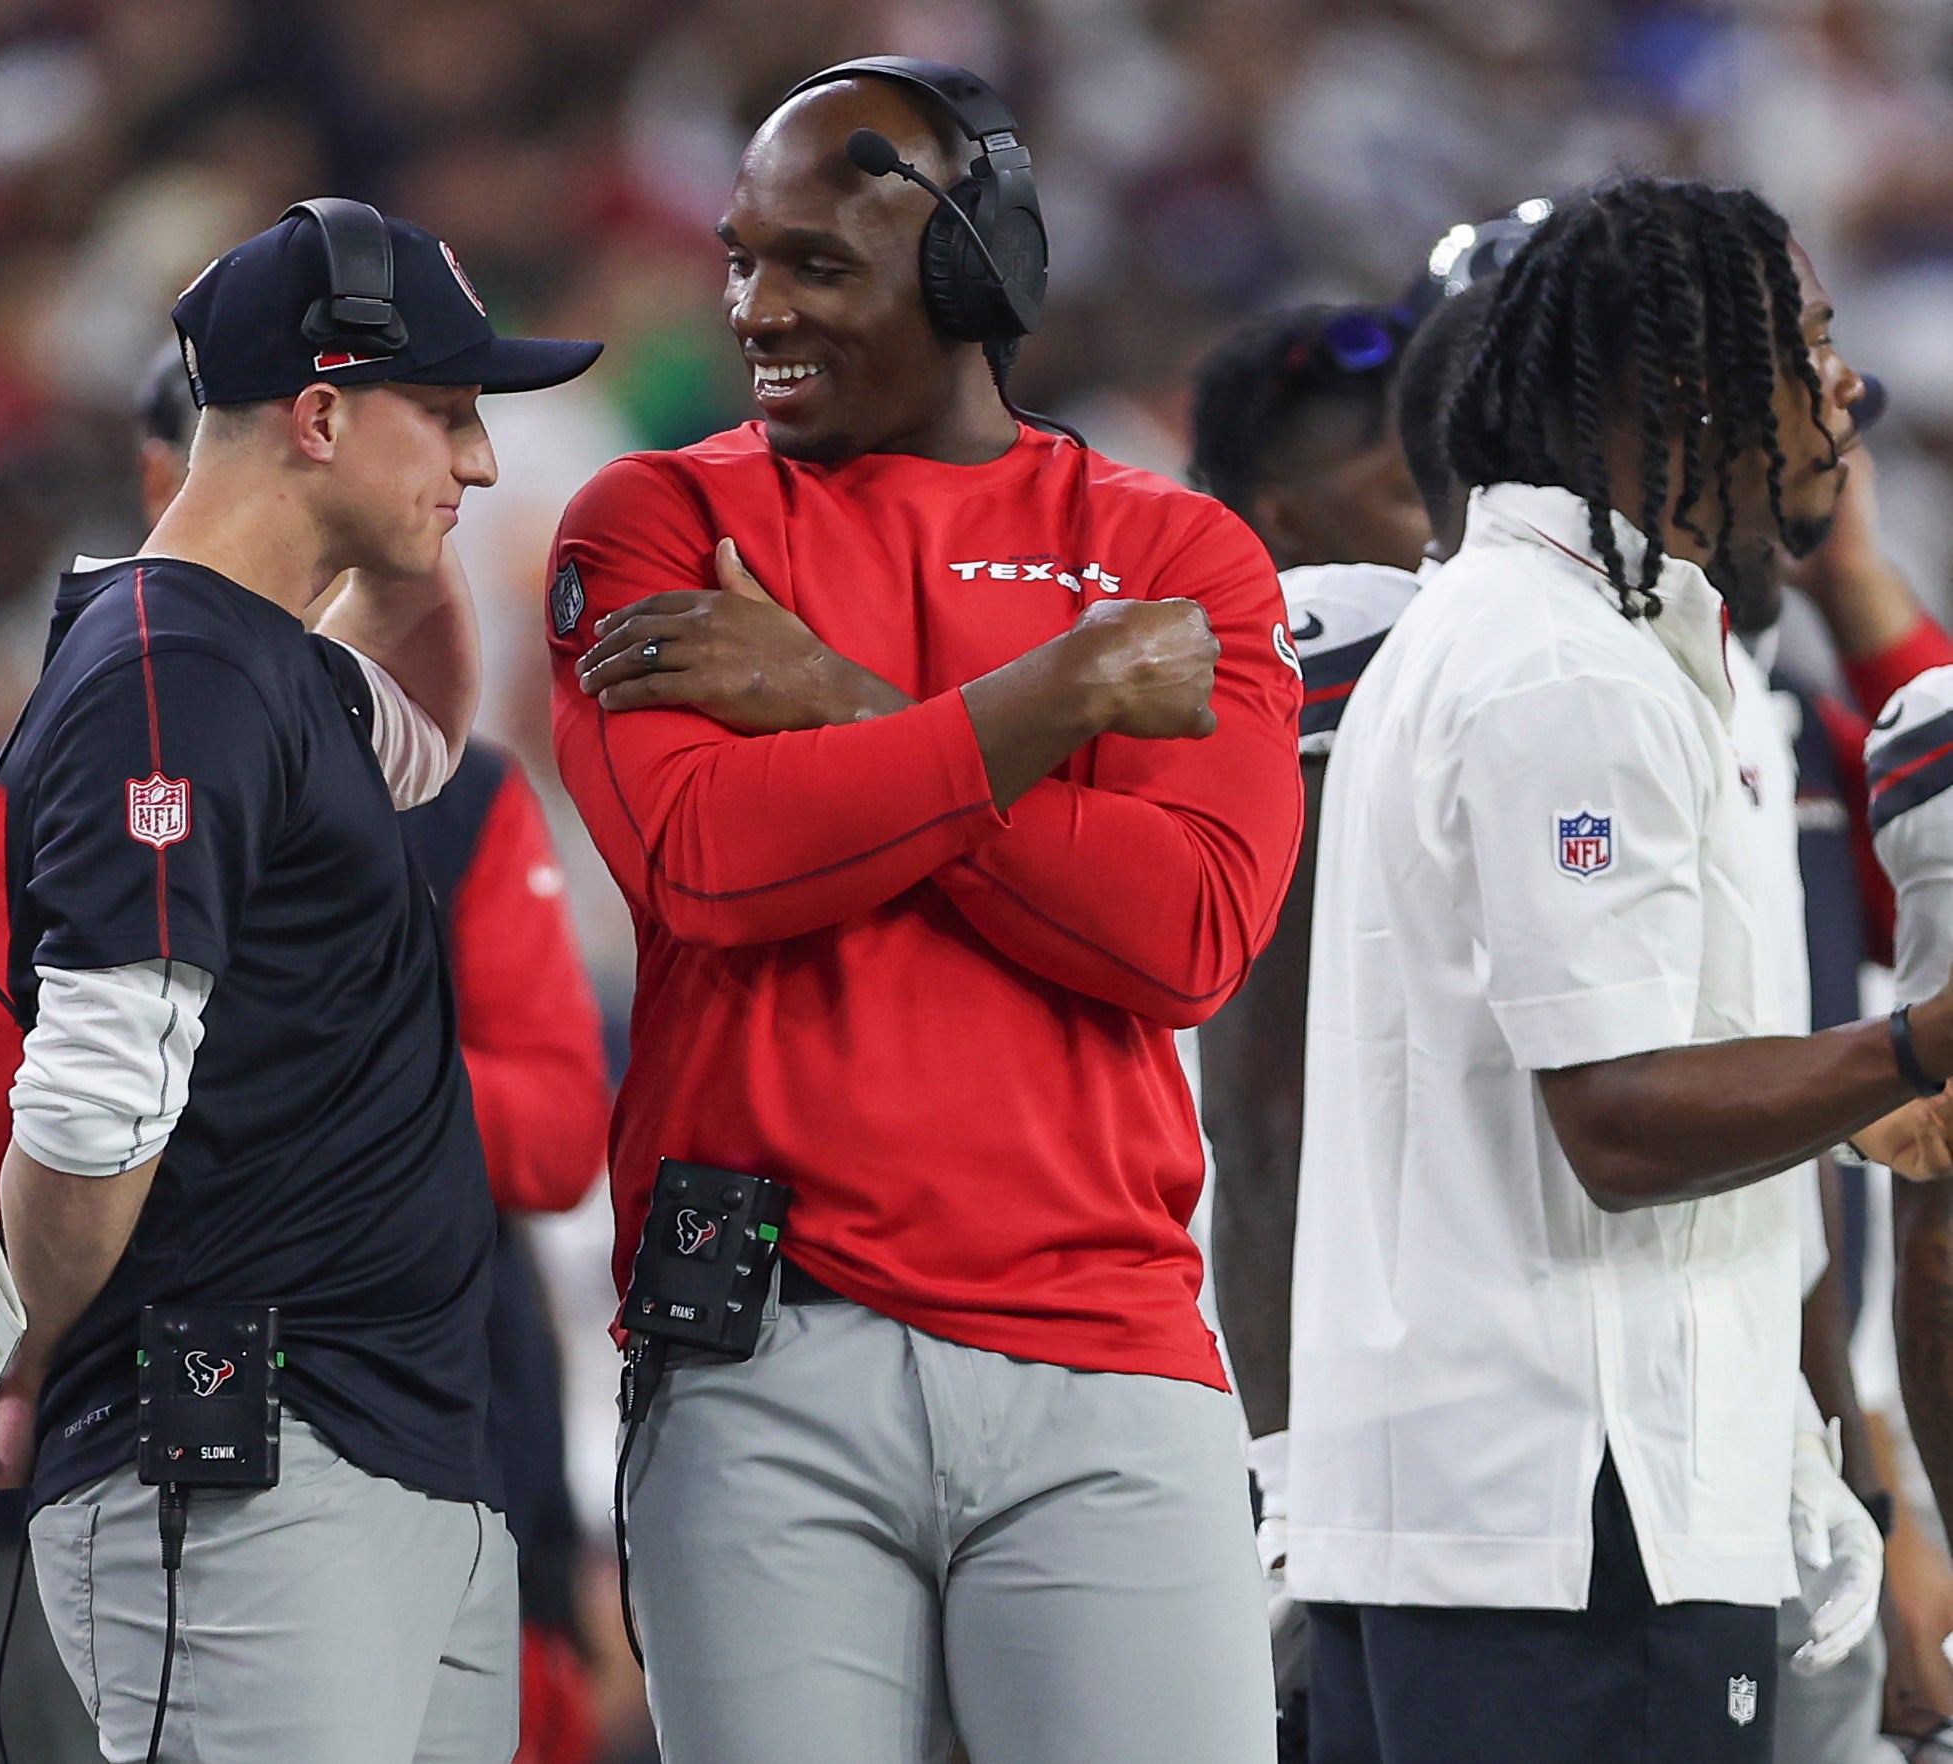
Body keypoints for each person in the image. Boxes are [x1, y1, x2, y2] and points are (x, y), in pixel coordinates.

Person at [545, 58, 1297, 1764]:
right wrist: (1064, 696)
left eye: (814, 262)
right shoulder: (658, 516)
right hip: (761, 1349)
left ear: (975, 270)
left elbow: (1178, 932)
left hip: (1103, 1348)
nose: (753, 308)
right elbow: (712, 864)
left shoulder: (1178, 556)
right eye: (738, 258)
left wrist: (823, 699)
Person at [0, 202, 601, 1764]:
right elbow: (95, 1104)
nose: (484, 463)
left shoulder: (257, 659)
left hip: (374, 1451)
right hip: (239, 1467)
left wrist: (405, 534)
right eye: (444, 413)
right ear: (319, 415)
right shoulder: (173, 676)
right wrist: (23, 1345)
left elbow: (427, 742)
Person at [1288, 176, 1915, 1764]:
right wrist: (1915, 1050)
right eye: (1813, 344)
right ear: (1694, 380)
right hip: (1574, 1517)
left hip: (1485, 1505)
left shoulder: (1529, 627)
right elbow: (1620, 1119)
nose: (1843, 389)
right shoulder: (1568, 663)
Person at [1182, 294, 1438, 1750]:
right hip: (1276, 1390)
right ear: (1280, 509)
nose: (1440, 516)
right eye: (1404, 485)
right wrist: (1286, 1452)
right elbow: (1263, 1107)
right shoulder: (1334, 626)